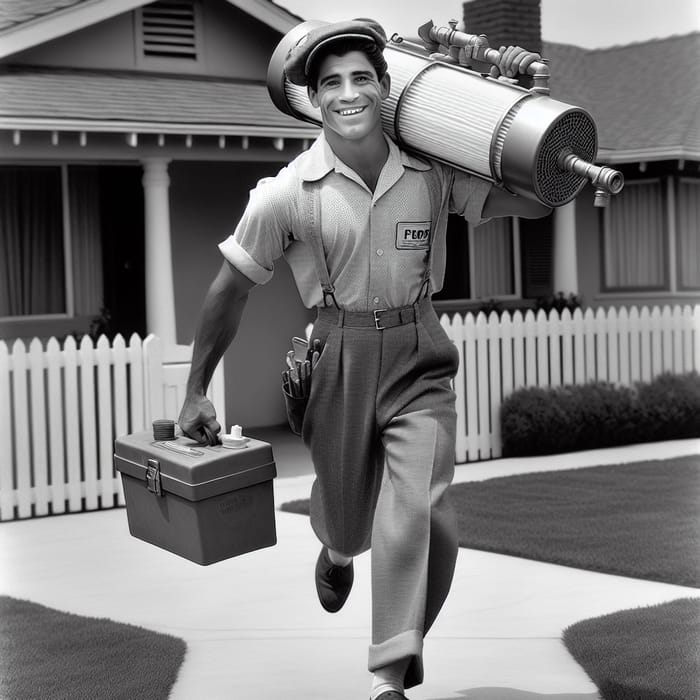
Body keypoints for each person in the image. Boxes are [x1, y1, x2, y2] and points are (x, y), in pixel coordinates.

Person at [179, 18, 550, 700]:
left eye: (360, 78)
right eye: (330, 84)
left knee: (424, 508)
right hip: (336, 357)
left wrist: (529, 103)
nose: (347, 94)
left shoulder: (433, 174)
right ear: (314, 101)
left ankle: (390, 676)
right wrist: (197, 389)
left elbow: (533, 199)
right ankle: (338, 546)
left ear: (385, 87)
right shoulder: (288, 192)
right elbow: (229, 290)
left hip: (420, 355)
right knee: (352, 520)